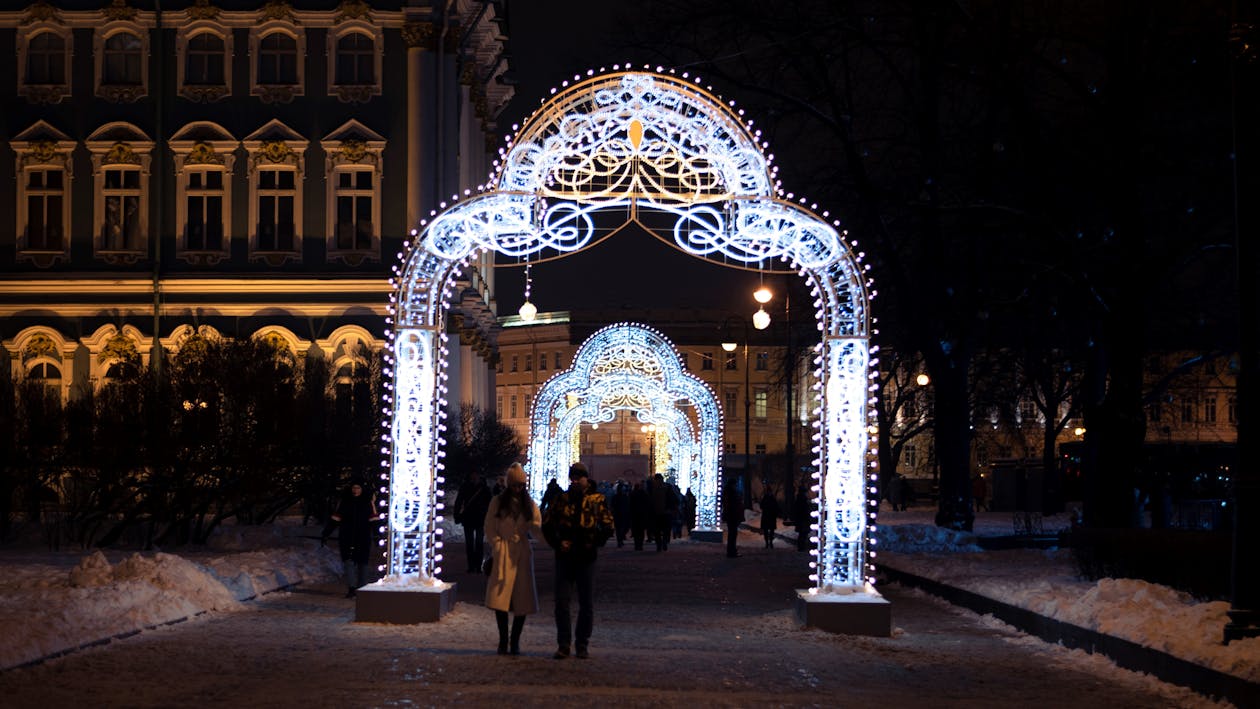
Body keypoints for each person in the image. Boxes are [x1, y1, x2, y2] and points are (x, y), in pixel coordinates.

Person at [541, 462, 613, 660]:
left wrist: (594, 541)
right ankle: (564, 643)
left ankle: (582, 643)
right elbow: (546, 525)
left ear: (586, 478)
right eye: (572, 478)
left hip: (586, 557)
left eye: (579, 478)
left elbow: (608, 526)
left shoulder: (597, 500)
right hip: (565, 557)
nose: (575, 482)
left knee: (586, 603)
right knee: (562, 602)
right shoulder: (561, 500)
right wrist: (557, 542)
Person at [484, 463, 542, 656]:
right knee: (500, 599)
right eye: (515, 485)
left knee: (522, 600)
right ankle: (503, 640)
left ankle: (515, 640)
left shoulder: (529, 504)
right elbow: (489, 527)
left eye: (520, 485)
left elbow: (537, 527)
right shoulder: (497, 502)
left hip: (521, 555)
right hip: (504, 552)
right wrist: (497, 544)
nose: (518, 488)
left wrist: (547, 537)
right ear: (509, 484)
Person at [331, 478, 377, 598]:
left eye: (358, 488)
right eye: (354, 488)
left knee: (363, 563)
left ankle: (362, 588)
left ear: (362, 489)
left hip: (363, 536)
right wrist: (326, 532)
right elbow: (336, 518)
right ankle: (352, 588)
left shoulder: (367, 502)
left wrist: (377, 534)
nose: (355, 490)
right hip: (347, 536)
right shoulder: (345, 501)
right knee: (348, 562)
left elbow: (374, 519)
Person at [453, 471, 492, 573]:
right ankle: (473, 566)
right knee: (471, 543)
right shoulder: (483, 488)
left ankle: (477, 566)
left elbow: (490, 504)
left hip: (476, 518)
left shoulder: (482, 488)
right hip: (473, 518)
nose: (474, 477)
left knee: (477, 543)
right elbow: (459, 501)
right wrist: (457, 515)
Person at [648, 473, 677, 551]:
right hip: (663, 512)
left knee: (658, 530)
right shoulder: (667, 487)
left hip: (658, 513)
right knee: (664, 530)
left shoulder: (652, 488)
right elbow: (674, 499)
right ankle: (662, 543)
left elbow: (649, 500)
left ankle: (660, 544)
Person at [722, 478, 743, 558]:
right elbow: (733, 504)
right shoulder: (732, 493)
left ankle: (731, 551)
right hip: (732, 515)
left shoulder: (727, 492)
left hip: (731, 515)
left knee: (732, 534)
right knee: (733, 534)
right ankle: (732, 551)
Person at [629, 480, 650, 551]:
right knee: (641, 531)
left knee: (636, 530)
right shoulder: (645, 494)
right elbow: (648, 505)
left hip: (634, 514)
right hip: (642, 514)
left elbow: (630, 504)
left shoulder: (633, 493)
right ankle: (640, 545)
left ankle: (637, 545)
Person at [611, 481, 631, 548]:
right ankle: (620, 540)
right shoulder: (621, 497)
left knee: (621, 528)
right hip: (620, 514)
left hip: (621, 514)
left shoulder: (621, 497)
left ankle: (620, 540)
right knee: (620, 528)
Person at [793, 483, 811, 552]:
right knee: (803, 534)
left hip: (801, 519)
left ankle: (801, 547)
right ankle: (801, 547)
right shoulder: (803, 500)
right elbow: (804, 510)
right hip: (803, 519)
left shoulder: (799, 499)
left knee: (802, 534)